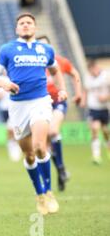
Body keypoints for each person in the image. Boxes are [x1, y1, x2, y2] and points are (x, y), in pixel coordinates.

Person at [0, 13, 68, 215]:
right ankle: (39, 193)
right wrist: (4, 83)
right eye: (21, 23)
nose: (25, 25)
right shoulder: (7, 49)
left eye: (29, 23)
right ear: (17, 29)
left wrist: (63, 89)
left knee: (40, 146)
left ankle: (48, 191)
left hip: (41, 101)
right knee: (29, 154)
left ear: (35, 27)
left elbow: (56, 71)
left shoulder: (46, 49)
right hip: (18, 107)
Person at [38, 35, 83, 191]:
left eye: (45, 46)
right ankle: (60, 171)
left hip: (58, 101)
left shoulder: (60, 61)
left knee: (53, 131)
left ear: (50, 48)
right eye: (39, 45)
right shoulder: (34, 62)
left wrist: (78, 93)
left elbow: (75, 74)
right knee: (43, 146)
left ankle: (61, 167)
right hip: (41, 104)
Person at [83, 59, 110, 164]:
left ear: (96, 67)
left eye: (91, 70)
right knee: (95, 129)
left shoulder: (106, 76)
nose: (91, 72)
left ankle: (108, 147)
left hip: (104, 107)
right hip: (93, 108)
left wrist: (106, 97)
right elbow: (85, 89)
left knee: (105, 131)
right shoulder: (87, 78)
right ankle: (96, 155)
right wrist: (83, 101)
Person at [0, 83, 21, 162]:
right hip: (5, 109)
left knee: (13, 128)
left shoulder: (14, 78)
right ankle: (12, 144)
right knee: (9, 129)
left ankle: (15, 146)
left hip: (15, 107)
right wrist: (4, 91)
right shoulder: (0, 81)